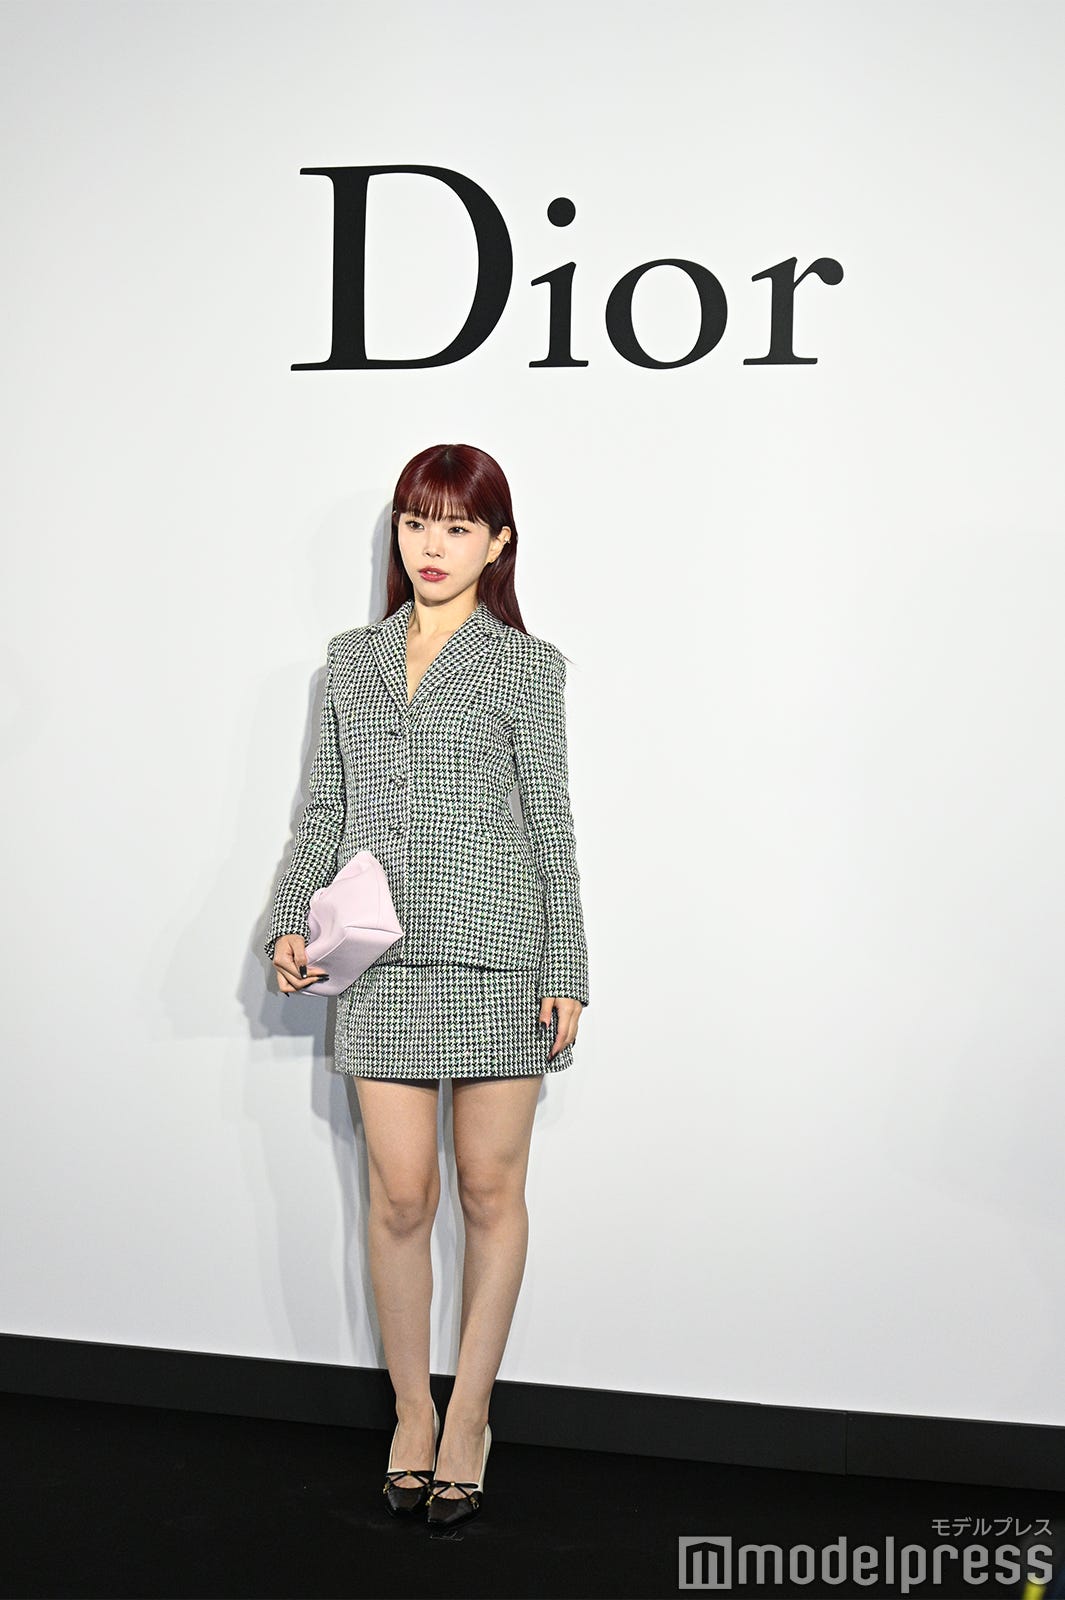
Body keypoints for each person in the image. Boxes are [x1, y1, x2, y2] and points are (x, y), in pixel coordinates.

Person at [263, 442, 590, 1528]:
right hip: (378, 961)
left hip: (499, 957)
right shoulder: (350, 661)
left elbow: (552, 827)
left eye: (457, 525)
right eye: (415, 522)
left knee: (489, 1193)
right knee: (401, 1196)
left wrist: (567, 965)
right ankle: (413, 1409)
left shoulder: (526, 668)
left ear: (498, 543)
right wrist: (288, 921)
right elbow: (323, 811)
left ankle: (471, 1415)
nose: (431, 545)